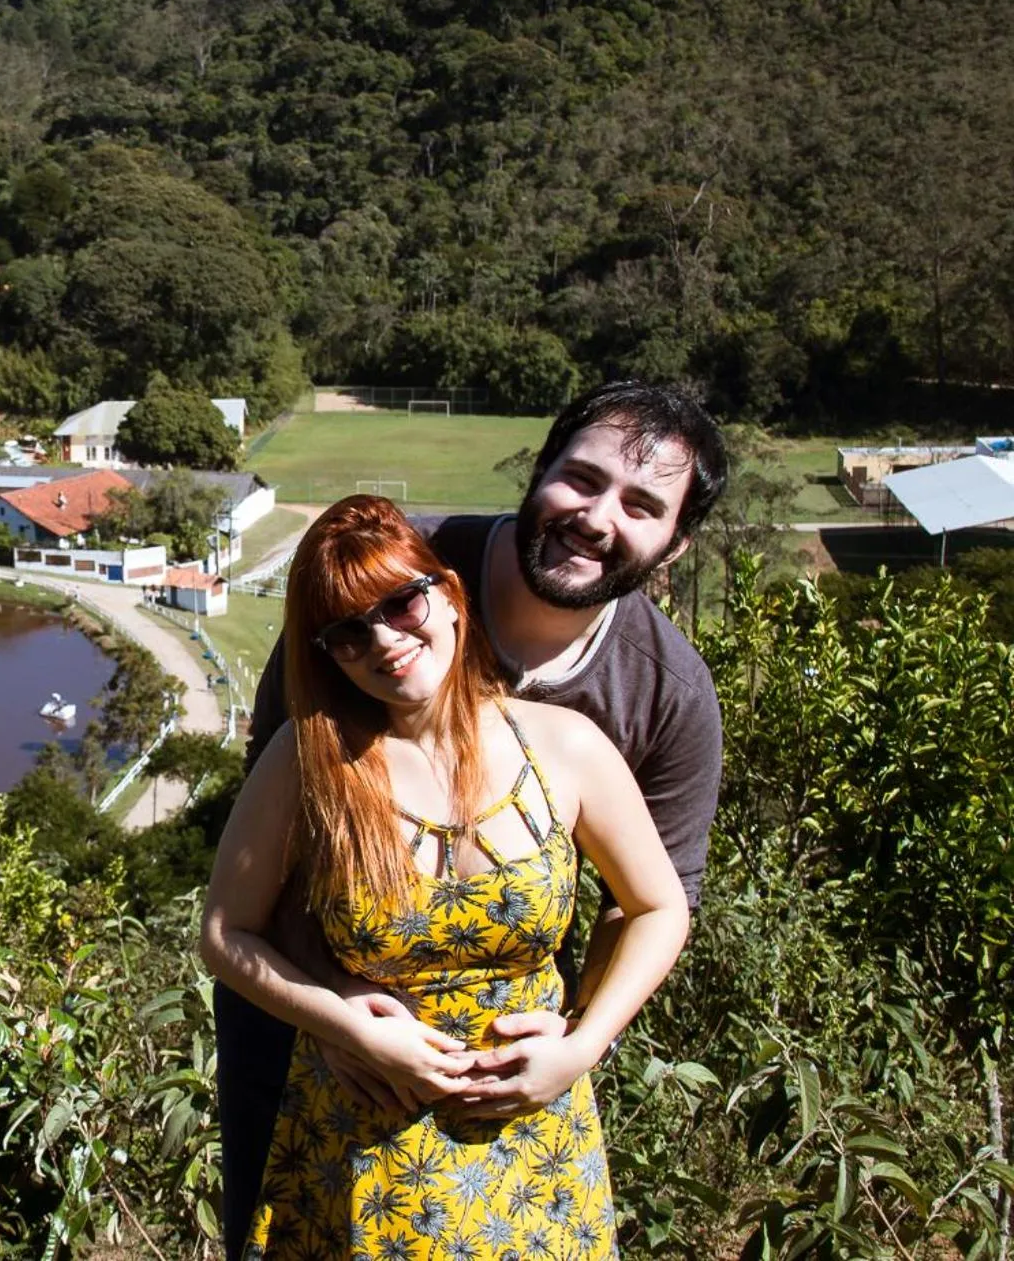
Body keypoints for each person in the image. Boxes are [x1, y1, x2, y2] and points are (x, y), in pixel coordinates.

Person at [215, 381, 730, 1260]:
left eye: (641, 505)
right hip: (323, 1051)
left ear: (673, 544)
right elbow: (276, 836)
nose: (596, 517)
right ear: (539, 471)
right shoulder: (395, 571)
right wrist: (337, 1018)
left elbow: (654, 901)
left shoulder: (659, 694)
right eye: (583, 478)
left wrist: (576, 1039)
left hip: (511, 1091)